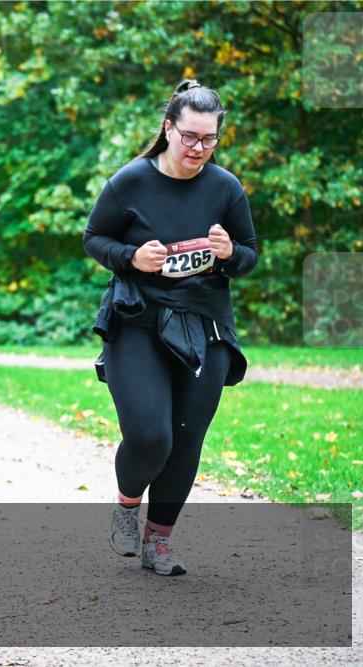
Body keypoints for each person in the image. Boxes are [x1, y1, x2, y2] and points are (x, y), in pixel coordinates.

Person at [82, 79, 257, 576]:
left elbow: (249, 256)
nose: (199, 148)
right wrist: (131, 257)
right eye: (190, 137)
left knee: (185, 438)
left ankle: (158, 541)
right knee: (150, 435)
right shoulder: (130, 181)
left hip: (205, 325)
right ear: (168, 128)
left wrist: (228, 255)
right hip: (138, 319)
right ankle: (126, 502)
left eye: (210, 139)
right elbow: (94, 238)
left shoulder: (225, 187)